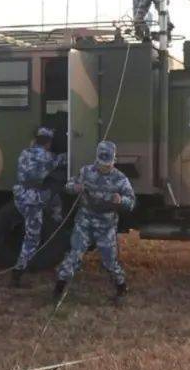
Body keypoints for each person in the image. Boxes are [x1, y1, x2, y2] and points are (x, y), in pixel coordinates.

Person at [54, 141, 136, 300]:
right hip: (85, 221)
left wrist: (121, 201)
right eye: (100, 163)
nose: (103, 167)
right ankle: (58, 289)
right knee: (74, 255)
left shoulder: (120, 179)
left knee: (109, 261)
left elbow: (131, 203)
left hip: (106, 225)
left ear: (113, 161)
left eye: (107, 164)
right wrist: (75, 188)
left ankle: (121, 287)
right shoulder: (86, 172)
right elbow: (69, 185)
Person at [10, 126, 66, 288]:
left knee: (53, 198)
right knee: (32, 238)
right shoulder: (48, 157)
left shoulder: (24, 153)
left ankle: (56, 218)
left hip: (20, 195)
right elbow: (63, 159)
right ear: (48, 143)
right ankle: (18, 273)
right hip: (33, 199)